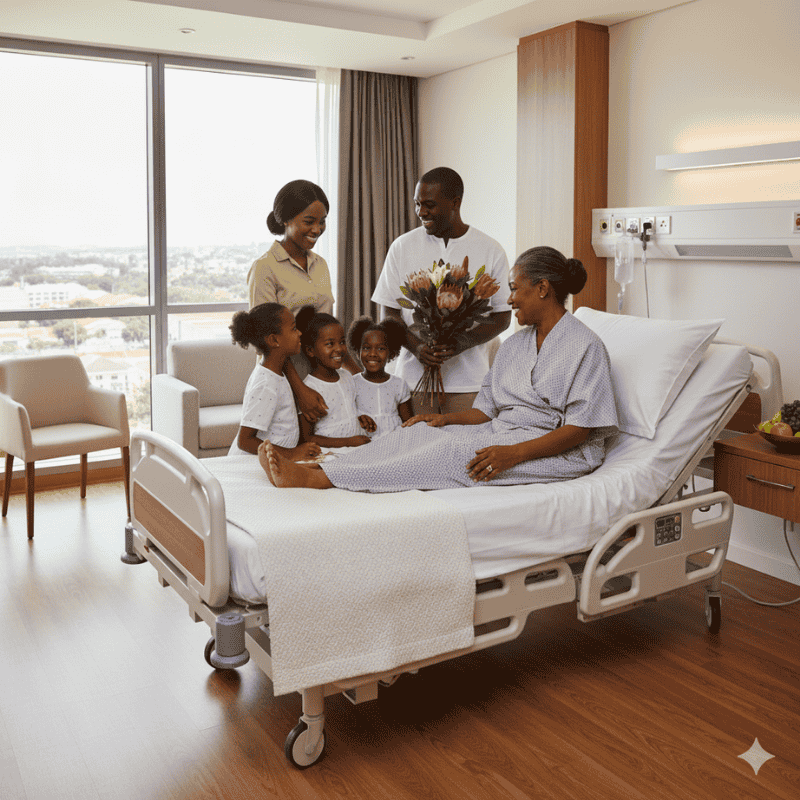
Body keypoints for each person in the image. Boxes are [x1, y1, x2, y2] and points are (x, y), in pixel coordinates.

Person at [259, 246, 619, 492]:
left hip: (557, 453)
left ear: (543, 289)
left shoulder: (585, 347)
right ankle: (322, 469)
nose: (509, 300)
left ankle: (319, 480)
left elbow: (578, 431)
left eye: (514, 289)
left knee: (450, 454)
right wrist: (441, 420)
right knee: (415, 434)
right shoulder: (514, 346)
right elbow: (485, 411)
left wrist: (514, 453)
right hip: (504, 434)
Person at [371, 167, 512, 415]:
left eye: (429, 205)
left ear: (455, 203)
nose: (421, 212)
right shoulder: (402, 247)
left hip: (469, 382)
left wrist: (461, 342)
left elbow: (502, 317)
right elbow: (389, 312)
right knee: (417, 450)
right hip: (414, 382)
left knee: (464, 451)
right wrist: (416, 347)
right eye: (417, 204)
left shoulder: (490, 249)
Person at [247, 179, 357, 424]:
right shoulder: (265, 268)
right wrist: (301, 390)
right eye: (309, 221)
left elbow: (326, 327)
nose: (317, 229)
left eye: (322, 221)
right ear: (286, 219)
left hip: (319, 377)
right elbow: (266, 342)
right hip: (281, 381)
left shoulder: (321, 265)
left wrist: (355, 372)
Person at [227, 302, 321, 463]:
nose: (299, 333)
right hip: (251, 464)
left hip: (276, 459)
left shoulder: (277, 373)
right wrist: (291, 453)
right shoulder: (266, 384)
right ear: (274, 340)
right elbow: (245, 441)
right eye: (293, 328)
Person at [297, 306, 374, 449]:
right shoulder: (309, 389)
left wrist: (360, 418)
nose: (339, 348)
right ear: (310, 350)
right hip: (329, 454)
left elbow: (347, 409)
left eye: (342, 342)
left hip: (354, 449)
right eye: (330, 344)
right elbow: (306, 437)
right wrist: (348, 442)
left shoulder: (347, 377)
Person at [347, 315, 413, 439]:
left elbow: (408, 422)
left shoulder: (399, 384)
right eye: (366, 348)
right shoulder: (351, 383)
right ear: (358, 351)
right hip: (364, 441)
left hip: (395, 440)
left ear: (391, 352)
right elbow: (346, 416)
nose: (373, 354)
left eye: (381, 349)